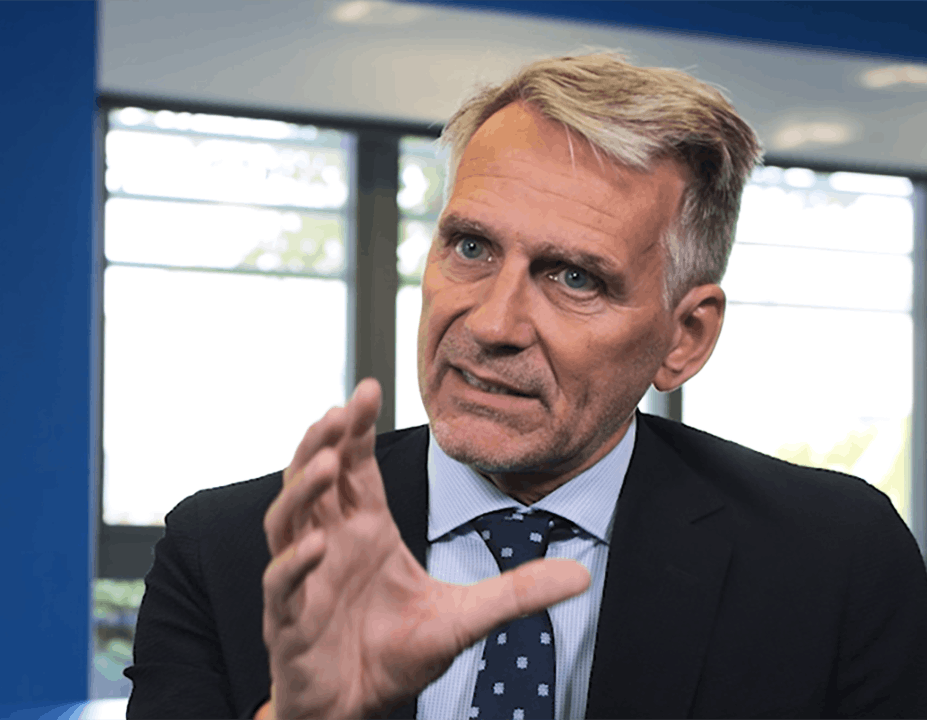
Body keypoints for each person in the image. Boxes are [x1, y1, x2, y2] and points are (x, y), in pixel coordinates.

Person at [124, 52, 927, 719]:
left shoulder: (835, 559)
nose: (492, 323)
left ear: (685, 338)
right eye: (471, 247)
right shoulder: (227, 552)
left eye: (574, 276)